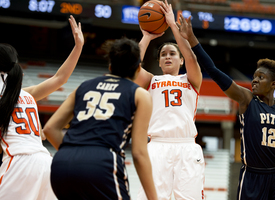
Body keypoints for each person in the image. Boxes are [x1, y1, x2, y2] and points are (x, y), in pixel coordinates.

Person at [177, 13, 275, 200]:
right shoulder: (247, 99)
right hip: (253, 176)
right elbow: (214, 72)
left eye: (261, 77)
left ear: (273, 84)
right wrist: (192, 39)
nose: (255, 80)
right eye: (254, 76)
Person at [43, 37, 158, 200]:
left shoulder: (83, 86)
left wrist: (74, 154)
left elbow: (50, 129)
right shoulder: (140, 94)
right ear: (138, 69)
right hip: (101, 162)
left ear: (110, 66)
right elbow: (139, 153)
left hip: (62, 164)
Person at [0, 15, 84, 200]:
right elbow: (59, 79)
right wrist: (78, 47)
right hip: (46, 163)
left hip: (19, 162)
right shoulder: (23, 93)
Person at [135, 1, 205, 199]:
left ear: (181, 60)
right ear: (158, 61)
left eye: (172, 54)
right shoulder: (151, 79)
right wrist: (146, 37)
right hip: (157, 144)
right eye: (163, 54)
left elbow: (192, 58)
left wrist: (172, 25)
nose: (167, 57)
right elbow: (131, 67)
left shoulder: (191, 79)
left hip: (186, 145)